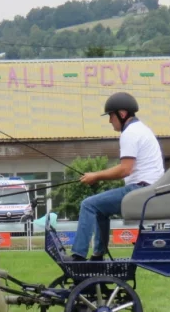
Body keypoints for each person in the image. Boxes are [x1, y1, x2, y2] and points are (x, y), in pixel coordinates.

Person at [69, 92, 164, 261]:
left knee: (88, 205)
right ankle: (98, 256)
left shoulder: (130, 133)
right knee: (100, 209)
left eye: (111, 115)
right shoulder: (142, 129)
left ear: (122, 113)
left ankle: (78, 256)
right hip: (149, 190)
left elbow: (125, 170)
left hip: (140, 191)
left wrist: (96, 176)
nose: (109, 121)